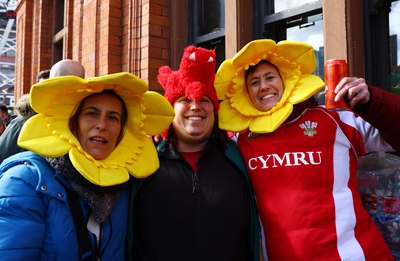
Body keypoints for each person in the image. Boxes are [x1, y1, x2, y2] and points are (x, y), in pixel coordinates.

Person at [214, 39, 400, 261]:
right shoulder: (240, 140)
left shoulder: (335, 118)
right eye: (254, 82)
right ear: (247, 94)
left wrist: (372, 101)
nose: (264, 86)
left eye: (270, 77)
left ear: (286, 80)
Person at [0, 72, 175, 260]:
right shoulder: (26, 181)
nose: (102, 125)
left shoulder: (127, 186)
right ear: (73, 122)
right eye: (92, 113)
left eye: (113, 117)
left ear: (122, 131)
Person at [127, 46, 260, 261]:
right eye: (185, 100)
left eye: (204, 100)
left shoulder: (240, 158)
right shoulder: (143, 161)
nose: (196, 106)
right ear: (170, 109)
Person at [0, 66, 79, 163]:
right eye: (43, 88)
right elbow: (3, 155)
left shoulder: (78, 121)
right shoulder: (21, 123)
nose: (47, 93)